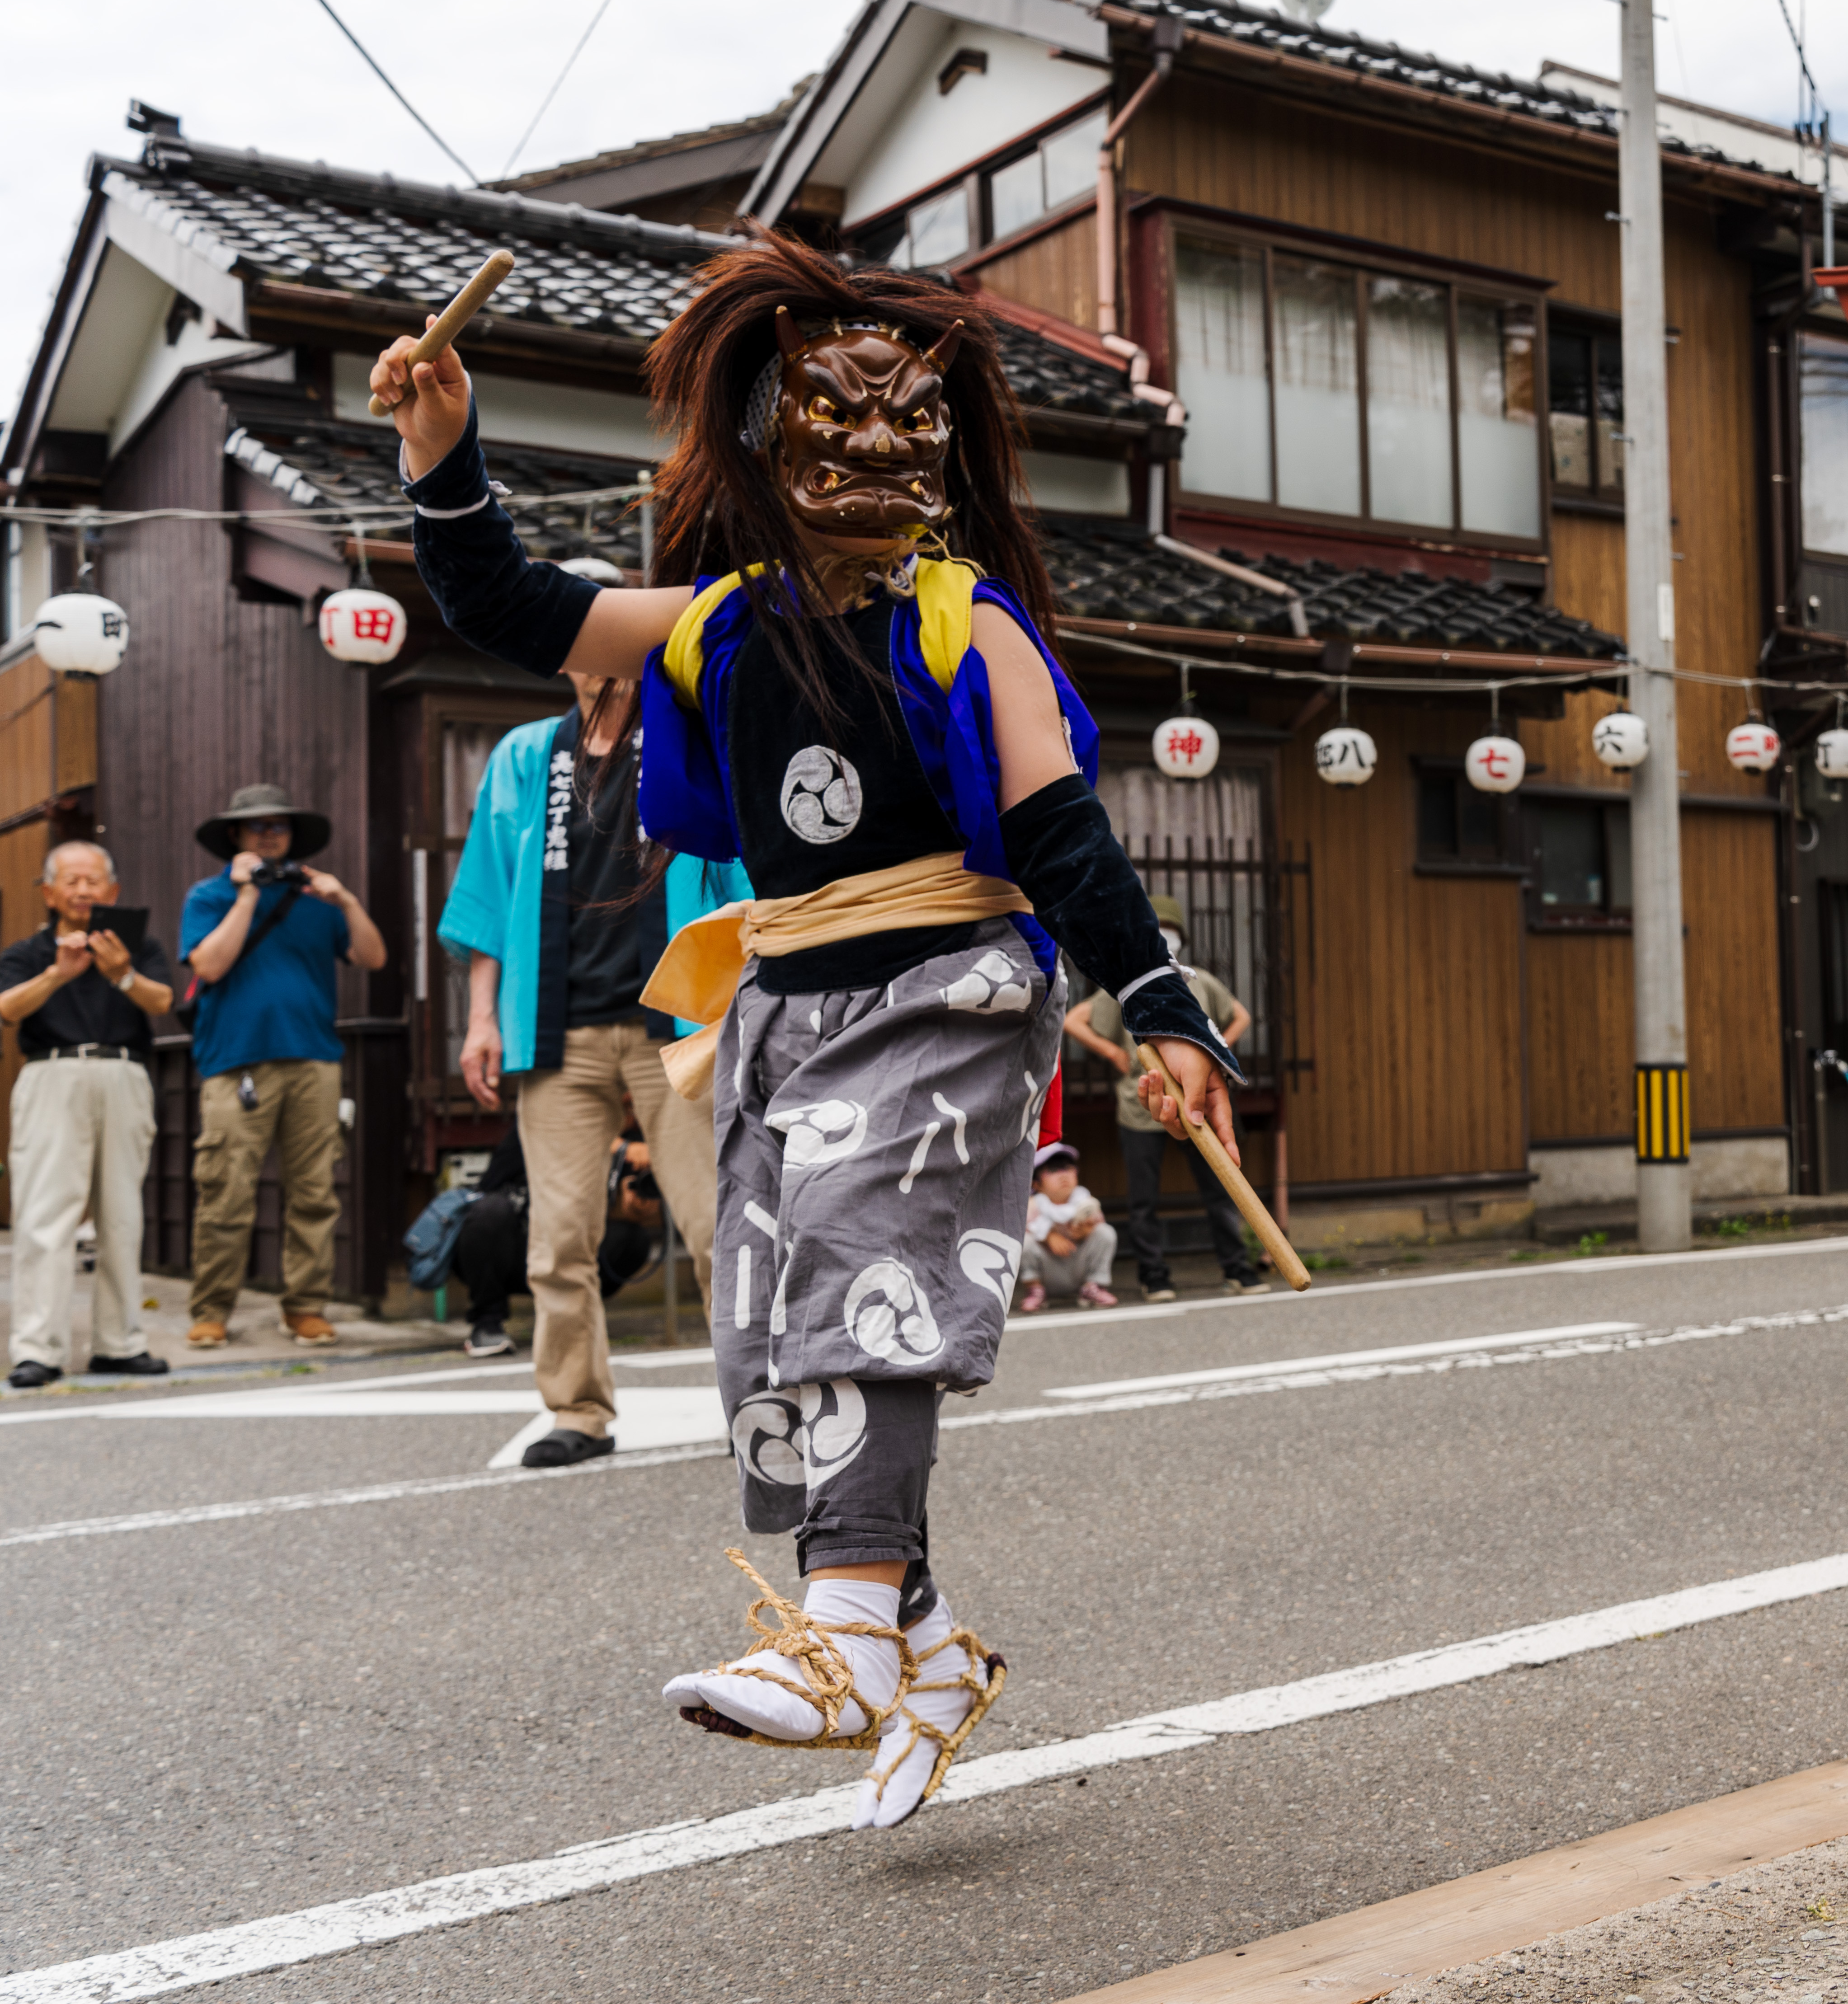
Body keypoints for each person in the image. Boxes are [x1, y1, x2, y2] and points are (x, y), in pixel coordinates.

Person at [383, 228, 1237, 1829]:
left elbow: (1062, 833)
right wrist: (443, 451)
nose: (874, 449)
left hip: (949, 988)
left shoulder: (964, 623)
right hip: (781, 1001)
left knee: (865, 1270)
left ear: (943, 449)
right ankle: (927, 1645)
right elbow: (508, 601)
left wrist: (1160, 1001)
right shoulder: (715, 622)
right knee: (773, 1335)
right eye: (835, 422)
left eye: (906, 422)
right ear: (772, 443)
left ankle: (840, 1642)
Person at [438, 673, 746, 1446]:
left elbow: (739, 870)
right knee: (560, 1236)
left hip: (675, 1019)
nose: (594, 660)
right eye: (579, 645)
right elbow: (489, 890)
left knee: (719, 1226)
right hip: (556, 1025)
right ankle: (577, 1410)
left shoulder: (685, 737)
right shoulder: (524, 756)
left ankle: (757, 1407)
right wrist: (481, 1019)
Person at [177, 784, 388, 1349]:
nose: (270, 835)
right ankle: (211, 1310)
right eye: (257, 826)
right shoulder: (209, 896)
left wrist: (346, 900)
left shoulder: (316, 899)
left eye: (280, 826)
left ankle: (306, 1307)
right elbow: (209, 966)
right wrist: (247, 894)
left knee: (315, 1192)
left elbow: (373, 957)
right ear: (235, 835)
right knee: (226, 1190)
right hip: (235, 1062)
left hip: (314, 1059)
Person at [2, 840, 175, 1388]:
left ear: (113, 891)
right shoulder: (28, 952)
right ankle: (38, 1349)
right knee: (44, 1217)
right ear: (50, 893)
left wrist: (122, 973)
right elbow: (7, 1007)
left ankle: (119, 1344)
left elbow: (163, 1001)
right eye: (71, 881)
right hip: (51, 1074)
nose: (82, 890)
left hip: (124, 1073)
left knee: (122, 1216)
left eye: (93, 880)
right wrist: (59, 973)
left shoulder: (137, 946)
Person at [1062, 894, 1259, 1300]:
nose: (1166, 936)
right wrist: (1113, 1052)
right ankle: (1154, 1276)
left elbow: (1241, 1015)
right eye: (1159, 929)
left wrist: (1219, 1051)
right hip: (1142, 1102)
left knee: (1221, 1186)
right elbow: (1075, 1019)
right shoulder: (1127, 987)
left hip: (1200, 1100)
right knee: (1144, 1197)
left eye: (1171, 930)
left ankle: (1238, 1268)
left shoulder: (1200, 981)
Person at [451, 1122, 671, 1354]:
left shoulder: (635, 1145)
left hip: (576, 1247)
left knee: (632, 1239)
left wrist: (633, 1208)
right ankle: (487, 1322)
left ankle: (577, 1315)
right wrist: (610, 1145)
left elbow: (629, 1208)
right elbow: (489, 1187)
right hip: (520, 1246)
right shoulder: (545, 1119)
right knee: (489, 1213)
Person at [1019, 1141, 1117, 1310]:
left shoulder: (1085, 1201)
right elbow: (1026, 1227)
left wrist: (1086, 1231)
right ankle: (1035, 1291)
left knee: (1105, 1232)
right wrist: (1049, 1236)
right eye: (1053, 1170)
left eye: (1068, 1168)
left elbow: (1097, 1223)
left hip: (1079, 1266)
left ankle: (1093, 1287)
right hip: (1049, 1273)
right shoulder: (1033, 1205)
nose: (1063, 1175)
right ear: (1036, 1184)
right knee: (1023, 1241)